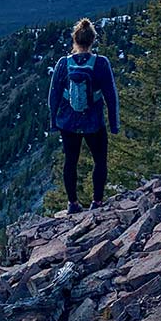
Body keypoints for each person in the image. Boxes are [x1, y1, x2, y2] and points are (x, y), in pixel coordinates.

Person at [48, 17, 120, 214]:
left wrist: (54, 121)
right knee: (100, 161)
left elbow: (53, 95)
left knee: (70, 161)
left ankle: (72, 203)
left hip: (68, 123)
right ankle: (97, 202)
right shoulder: (101, 63)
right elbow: (111, 96)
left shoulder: (64, 63)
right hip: (93, 122)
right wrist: (114, 124)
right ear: (92, 40)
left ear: (75, 40)